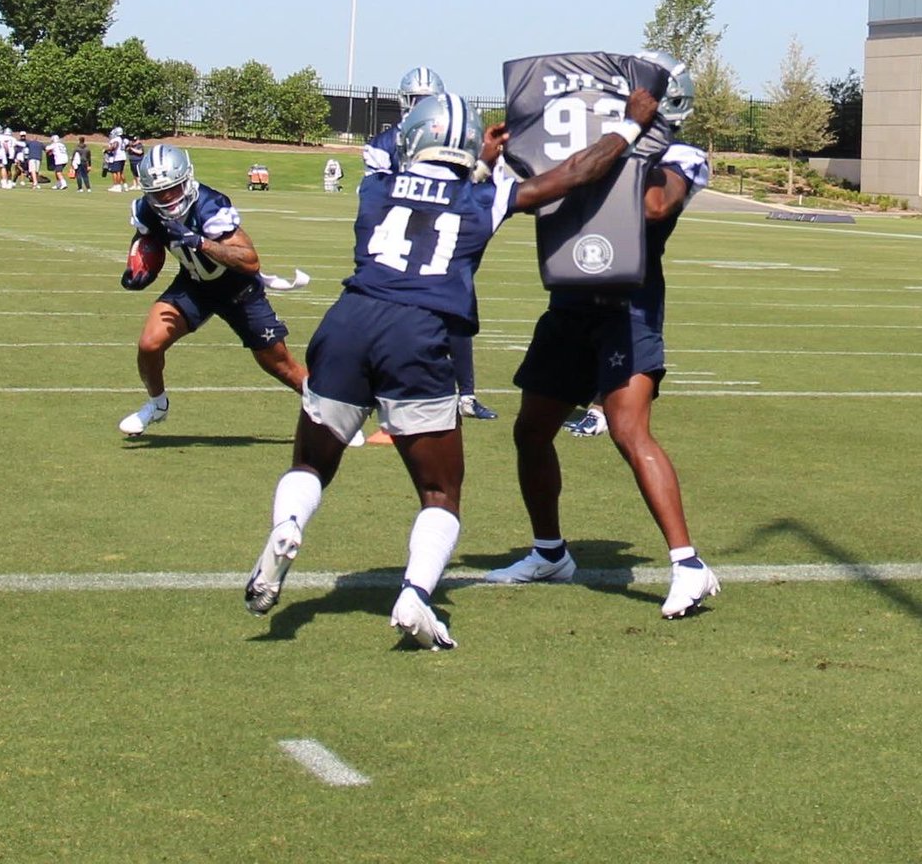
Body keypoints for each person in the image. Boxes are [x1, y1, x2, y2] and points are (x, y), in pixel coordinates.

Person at [244, 85, 659, 650]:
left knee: (311, 464)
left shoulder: (377, 183)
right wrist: (630, 126)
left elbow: (420, 185)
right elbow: (575, 174)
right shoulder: (481, 198)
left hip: (348, 321)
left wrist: (478, 160)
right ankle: (415, 595)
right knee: (440, 493)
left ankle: (288, 525)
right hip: (416, 335)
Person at [485, 60, 720, 619]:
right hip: (569, 303)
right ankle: (550, 553)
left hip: (628, 306)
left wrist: (627, 140)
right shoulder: (595, 143)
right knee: (531, 431)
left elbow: (655, 206)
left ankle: (688, 565)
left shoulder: (682, 155)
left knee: (628, 430)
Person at [117, 144, 309, 436]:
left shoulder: (210, 205)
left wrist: (201, 242)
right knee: (149, 345)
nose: (167, 198)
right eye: (159, 193)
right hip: (194, 285)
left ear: (187, 179)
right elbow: (145, 238)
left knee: (282, 366)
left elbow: (250, 261)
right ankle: (157, 404)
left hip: (239, 291)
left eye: (172, 188)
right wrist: (138, 268)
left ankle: (331, 413)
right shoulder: (147, 209)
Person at [362, 67, 496, 443]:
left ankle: (465, 395)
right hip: (401, 239)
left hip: (443, 232)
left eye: (425, 99)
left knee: (457, 309)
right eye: (415, 99)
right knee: (395, 319)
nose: (419, 105)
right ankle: (384, 401)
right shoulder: (384, 143)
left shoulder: (455, 137)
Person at [106, 127, 127, 191]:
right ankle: (124, 186)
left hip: (118, 157)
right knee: (120, 172)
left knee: (116, 172)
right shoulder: (123, 139)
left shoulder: (117, 139)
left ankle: (117, 186)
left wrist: (107, 150)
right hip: (123, 156)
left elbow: (114, 146)